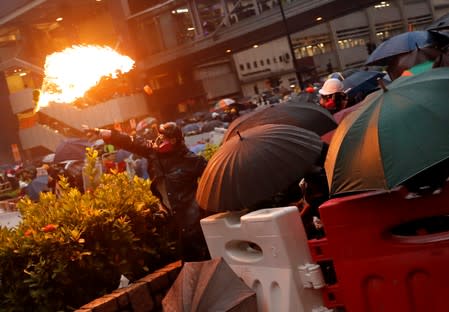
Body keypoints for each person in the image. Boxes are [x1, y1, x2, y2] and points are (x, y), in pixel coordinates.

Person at [85, 122, 210, 262]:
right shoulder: (153, 153)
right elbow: (131, 142)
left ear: (174, 140)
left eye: (164, 137)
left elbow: (212, 181)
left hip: (192, 220)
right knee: (185, 261)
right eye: (159, 136)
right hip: (172, 219)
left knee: (202, 258)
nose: (159, 140)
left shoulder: (192, 160)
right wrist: (104, 132)